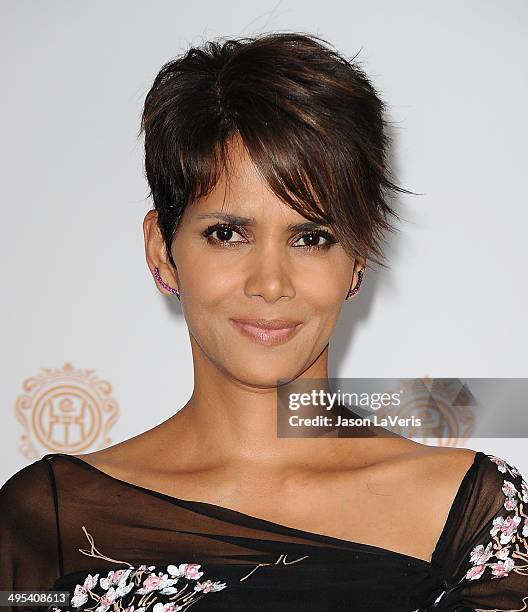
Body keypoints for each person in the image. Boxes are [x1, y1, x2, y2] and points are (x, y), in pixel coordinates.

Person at [1, 32, 527, 612]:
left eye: (311, 238)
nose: (270, 283)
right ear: (161, 251)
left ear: (356, 259)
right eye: (227, 234)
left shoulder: (469, 510)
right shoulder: (48, 519)